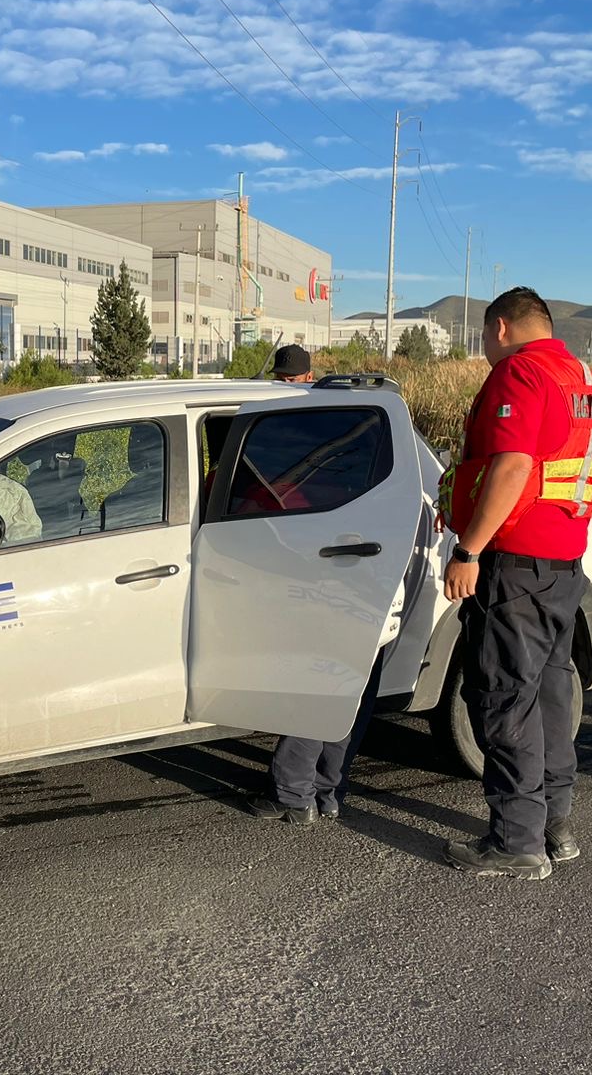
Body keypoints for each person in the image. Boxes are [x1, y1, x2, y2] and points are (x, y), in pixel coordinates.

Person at [438, 288, 592, 879]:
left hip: (514, 565)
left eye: (485, 336)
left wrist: (469, 549)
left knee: (503, 697)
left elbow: (513, 465)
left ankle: (517, 842)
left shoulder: (520, 372)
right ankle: (554, 827)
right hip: (565, 566)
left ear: (500, 327)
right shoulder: (588, 381)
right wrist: (562, 525)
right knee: (551, 694)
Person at [246, 342, 370, 825]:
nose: (284, 386)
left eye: (289, 379)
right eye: (280, 379)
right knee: (342, 688)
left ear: (306, 377)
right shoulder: (343, 425)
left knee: (318, 686)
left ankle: (294, 795)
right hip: (357, 573)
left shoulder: (283, 433)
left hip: (315, 575)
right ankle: (325, 791)